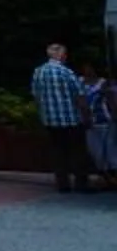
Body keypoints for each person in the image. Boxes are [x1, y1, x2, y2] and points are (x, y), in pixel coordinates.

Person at [33, 43, 90, 193]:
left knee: (58, 152)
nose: (66, 57)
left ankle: (63, 184)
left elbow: (37, 97)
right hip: (70, 118)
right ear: (60, 55)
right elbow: (79, 95)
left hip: (50, 120)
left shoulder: (38, 72)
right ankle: (81, 184)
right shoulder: (66, 72)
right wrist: (86, 115)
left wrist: (42, 115)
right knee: (78, 152)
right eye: (64, 54)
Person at [87, 64, 117, 183]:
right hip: (93, 121)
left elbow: (111, 103)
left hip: (106, 120)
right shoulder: (80, 82)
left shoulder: (105, 84)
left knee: (109, 149)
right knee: (98, 150)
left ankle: (110, 175)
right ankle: (107, 176)